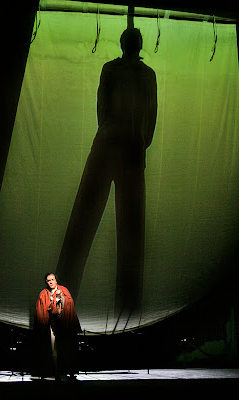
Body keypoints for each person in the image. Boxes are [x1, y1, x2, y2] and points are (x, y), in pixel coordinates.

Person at [56, 27, 157, 319]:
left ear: (122, 44)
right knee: (131, 237)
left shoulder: (110, 70)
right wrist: (137, 142)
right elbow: (151, 119)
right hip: (132, 152)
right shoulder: (147, 75)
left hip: (108, 147)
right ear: (139, 45)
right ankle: (128, 312)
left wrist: (112, 134)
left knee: (81, 225)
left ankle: (58, 304)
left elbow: (102, 109)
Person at [34, 273, 81, 381]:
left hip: (63, 324)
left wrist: (60, 298)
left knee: (66, 347)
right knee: (53, 349)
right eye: (48, 280)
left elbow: (69, 304)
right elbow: (40, 310)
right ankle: (56, 373)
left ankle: (70, 372)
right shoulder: (43, 293)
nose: (50, 282)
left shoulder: (63, 290)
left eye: (52, 280)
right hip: (51, 324)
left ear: (56, 280)